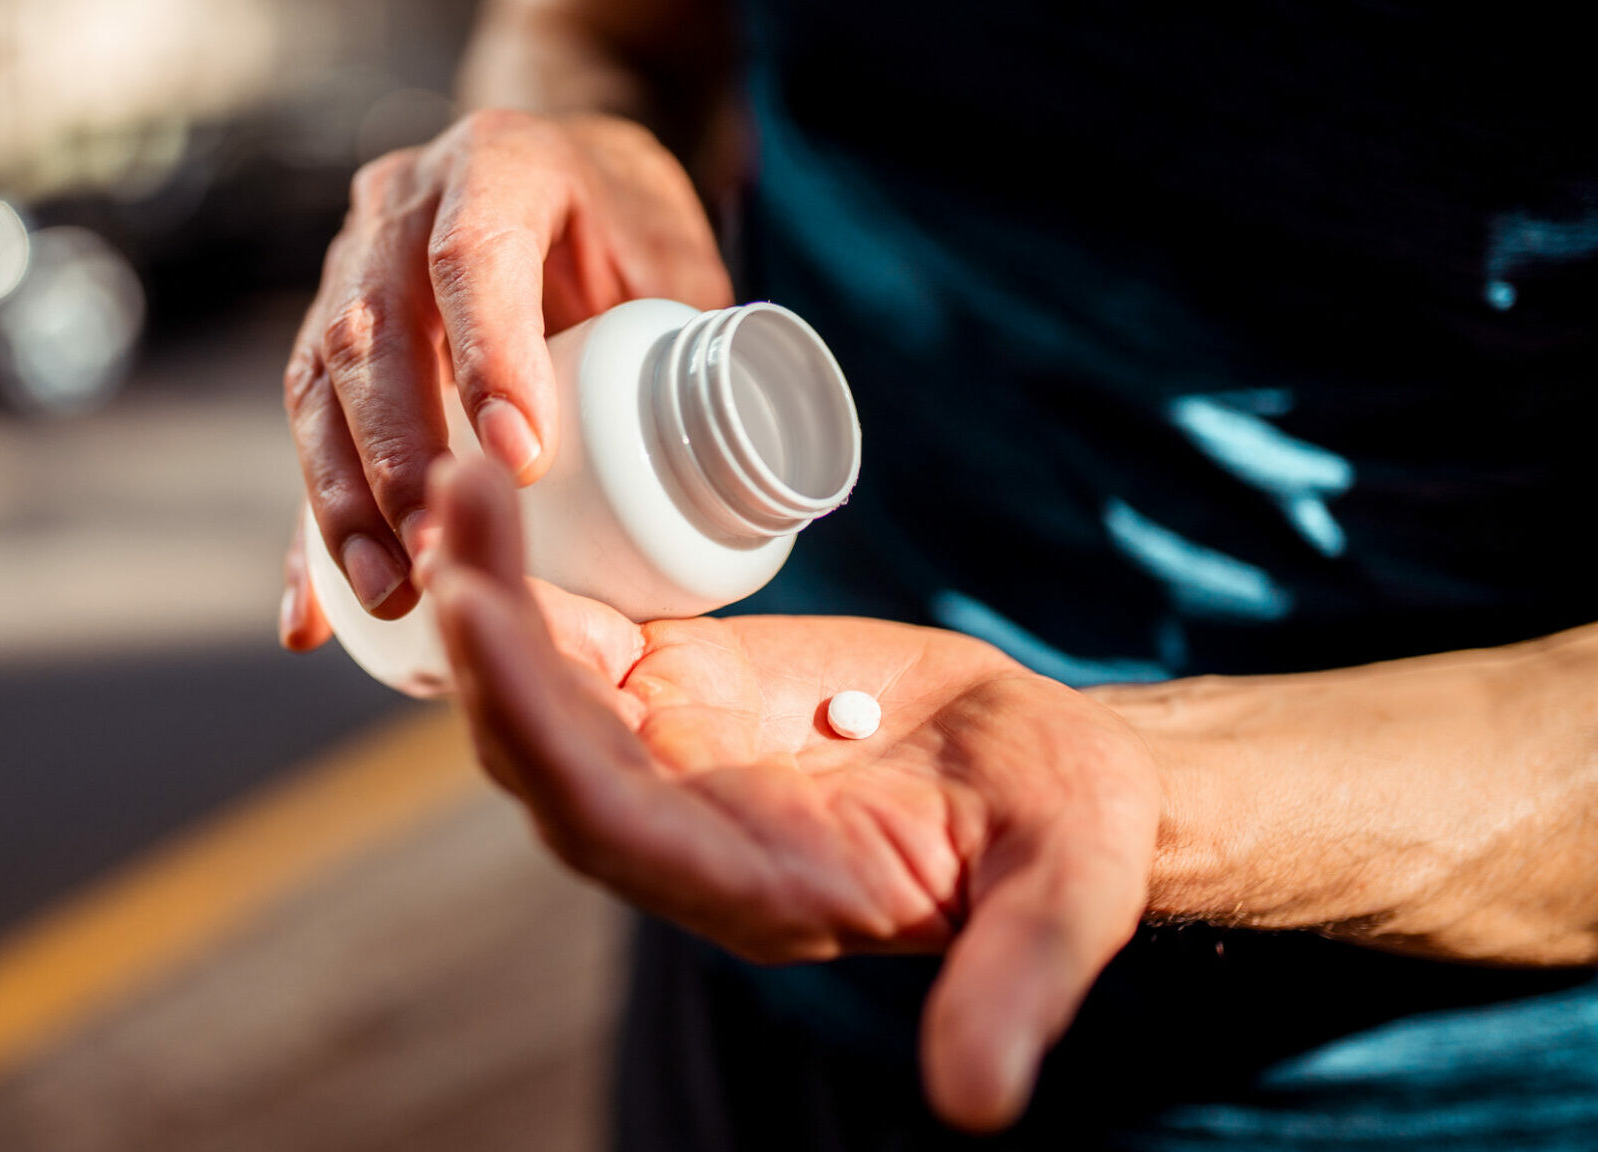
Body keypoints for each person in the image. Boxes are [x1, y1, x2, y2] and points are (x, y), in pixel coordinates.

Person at [280, 1, 1598, 1146]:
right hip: (747, 861)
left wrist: (1153, 786)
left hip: (1389, 1085)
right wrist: (568, 137)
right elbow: (604, 23)